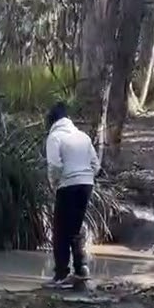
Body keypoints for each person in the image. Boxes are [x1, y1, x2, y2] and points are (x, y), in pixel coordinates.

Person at [43, 102, 100, 288]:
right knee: (75, 228)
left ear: (52, 121)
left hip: (67, 185)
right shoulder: (82, 136)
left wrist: (54, 185)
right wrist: (85, 176)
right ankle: (81, 269)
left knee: (60, 230)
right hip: (86, 185)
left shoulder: (54, 137)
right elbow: (96, 165)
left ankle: (61, 274)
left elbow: (55, 166)